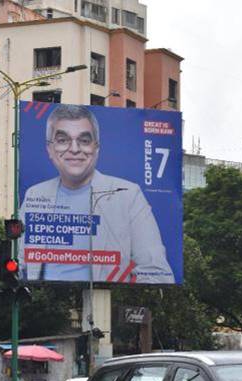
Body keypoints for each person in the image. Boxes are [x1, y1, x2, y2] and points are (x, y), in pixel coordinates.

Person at [19, 104, 174, 284]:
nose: (74, 149)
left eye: (84, 140)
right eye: (63, 140)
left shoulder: (128, 195)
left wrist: (118, 297)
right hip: (45, 305)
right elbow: (20, 262)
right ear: (50, 150)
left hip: (103, 304)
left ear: (97, 148)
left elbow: (158, 272)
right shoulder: (36, 195)